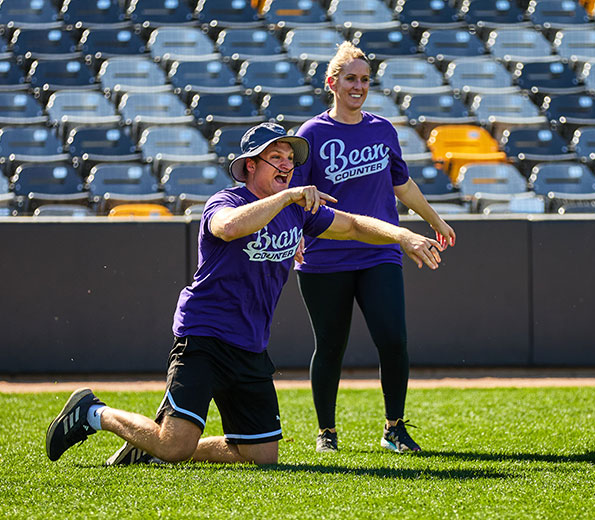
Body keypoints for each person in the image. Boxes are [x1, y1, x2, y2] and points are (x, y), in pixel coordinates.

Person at [45, 122, 443, 466]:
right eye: (277, 158)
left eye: (290, 158)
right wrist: (286, 197)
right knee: (174, 443)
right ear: (250, 165)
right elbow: (229, 227)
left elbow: (354, 224)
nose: (288, 165)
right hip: (206, 334)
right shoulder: (227, 200)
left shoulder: (296, 209)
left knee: (261, 454)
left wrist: (403, 235)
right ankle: (92, 412)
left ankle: (151, 446)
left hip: (250, 344)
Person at [290, 42, 456, 454]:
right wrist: (292, 234)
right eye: (350, 78)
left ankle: (394, 428)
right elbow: (296, 195)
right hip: (325, 253)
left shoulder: (383, 130)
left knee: (393, 340)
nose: (358, 86)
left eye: (364, 79)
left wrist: (434, 219)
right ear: (332, 83)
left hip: (380, 250)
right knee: (330, 345)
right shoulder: (310, 134)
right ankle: (326, 433)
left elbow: (402, 183)